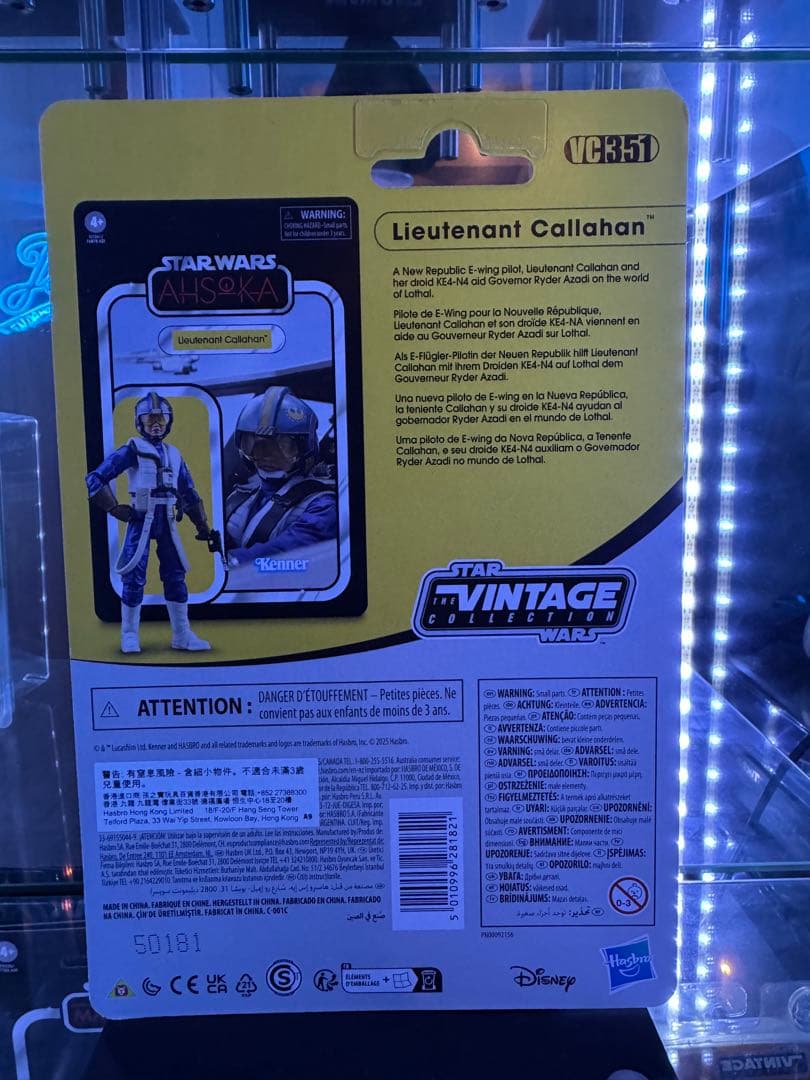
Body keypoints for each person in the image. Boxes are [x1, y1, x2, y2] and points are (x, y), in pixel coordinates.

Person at [86, 391, 212, 653]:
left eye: (161, 418)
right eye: (149, 418)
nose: (156, 423)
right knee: (133, 576)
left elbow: (188, 492)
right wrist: (113, 508)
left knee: (176, 575)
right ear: (139, 422)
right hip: (141, 517)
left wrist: (203, 526)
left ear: (169, 421)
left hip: (167, 518)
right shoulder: (132, 450)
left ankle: (182, 634)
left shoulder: (174, 455)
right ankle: (129, 634)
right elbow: (95, 478)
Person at [225, 386, 337, 567]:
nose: (266, 455)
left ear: (305, 450)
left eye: (283, 445)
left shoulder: (322, 506)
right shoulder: (239, 496)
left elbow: (285, 551)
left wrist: (230, 563)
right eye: (253, 444)